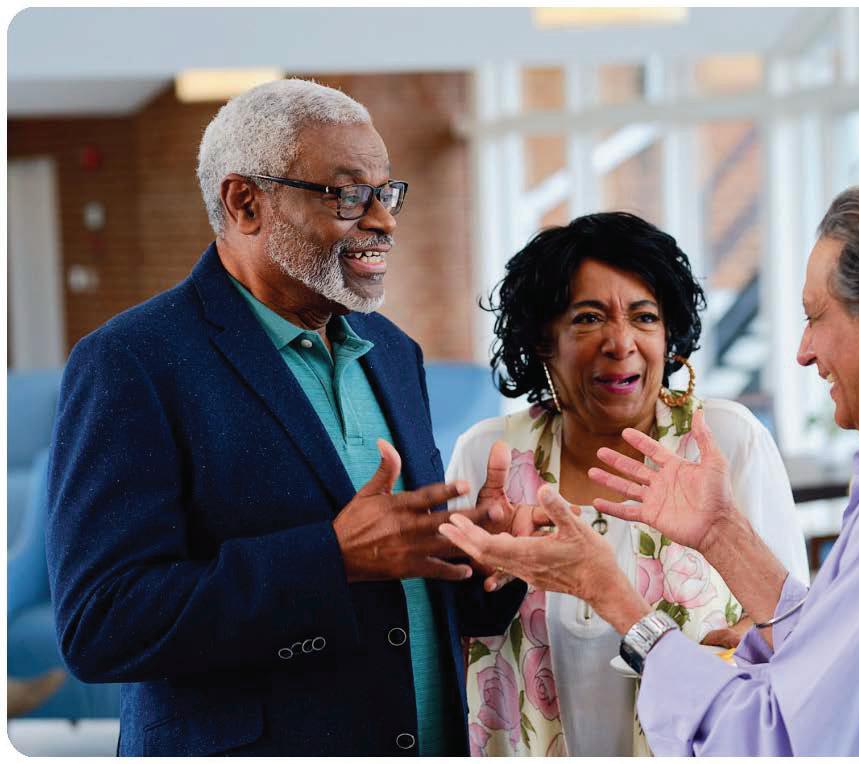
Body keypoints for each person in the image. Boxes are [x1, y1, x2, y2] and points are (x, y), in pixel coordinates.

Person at [441, 185, 859, 755]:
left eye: (816, 317)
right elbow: (856, 665)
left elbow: (778, 742)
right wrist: (721, 534)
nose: (803, 352)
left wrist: (614, 597)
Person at [45, 79, 534, 756]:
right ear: (245, 203)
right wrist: (330, 559)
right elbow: (102, 626)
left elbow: (407, 604)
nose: (384, 221)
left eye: (386, 192)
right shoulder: (132, 361)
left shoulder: (393, 352)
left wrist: (484, 564)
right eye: (348, 194)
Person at [444, 211, 809, 756]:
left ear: (668, 336)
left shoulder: (725, 442)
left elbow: (797, 632)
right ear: (544, 340)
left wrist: (754, 645)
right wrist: (477, 584)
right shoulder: (488, 455)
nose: (620, 343)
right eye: (588, 318)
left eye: (644, 317)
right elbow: (447, 640)